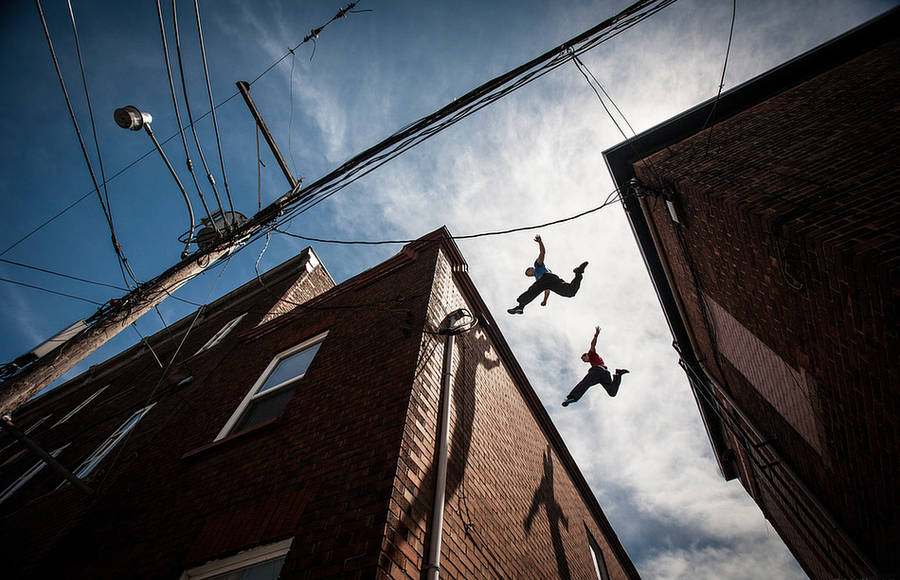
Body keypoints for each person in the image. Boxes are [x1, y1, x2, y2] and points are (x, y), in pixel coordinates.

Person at [507, 235, 588, 315]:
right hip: (553, 281)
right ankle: (579, 272)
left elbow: (542, 253)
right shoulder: (538, 280)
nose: (528, 275)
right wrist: (545, 300)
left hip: (547, 277)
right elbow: (547, 291)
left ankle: (520, 306)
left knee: (532, 290)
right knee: (570, 292)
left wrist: (540, 242)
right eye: (528, 275)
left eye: (528, 272)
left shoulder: (537, 266)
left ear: (531, 268)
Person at [562, 326, 628, 406]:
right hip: (605, 374)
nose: (585, 361)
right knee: (612, 392)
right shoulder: (594, 359)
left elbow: (592, 344)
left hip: (597, 371)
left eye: (584, 359)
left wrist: (596, 335)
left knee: (585, 383)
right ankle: (618, 374)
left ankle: (572, 397)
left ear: (586, 355)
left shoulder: (591, 354)